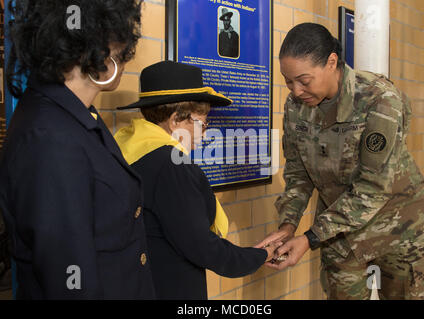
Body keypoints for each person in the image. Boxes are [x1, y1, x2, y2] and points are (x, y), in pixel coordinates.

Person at [257, 23, 424, 300]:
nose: (295, 90)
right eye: (288, 81)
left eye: (304, 81)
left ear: (332, 62)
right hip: (341, 235)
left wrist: (309, 238)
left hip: (402, 232)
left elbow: (372, 189)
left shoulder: (379, 100)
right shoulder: (297, 106)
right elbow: (298, 174)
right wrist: (287, 225)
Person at [0, 0, 155, 299]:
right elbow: (71, 282)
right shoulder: (49, 136)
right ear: (99, 48)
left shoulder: (76, 116)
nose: (126, 56)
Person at [114, 61, 280, 300]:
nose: (204, 134)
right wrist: (259, 256)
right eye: (202, 123)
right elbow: (202, 247)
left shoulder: (128, 148)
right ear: (175, 121)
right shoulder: (171, 166)